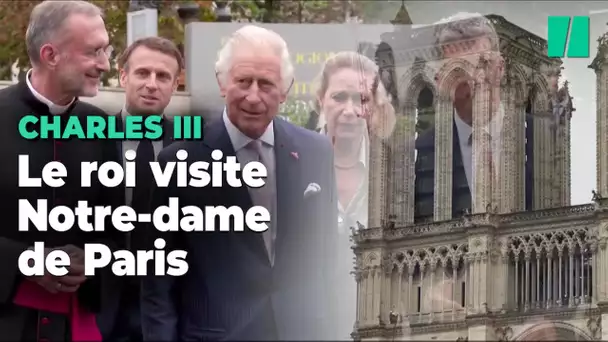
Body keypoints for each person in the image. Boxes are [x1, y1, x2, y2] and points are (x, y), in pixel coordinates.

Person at [141, 25, 338, 340]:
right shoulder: (178, 161)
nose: (253, 96)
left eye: (266, 84)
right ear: (222, 83)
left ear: (285, 90)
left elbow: (329, 258)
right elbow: (158, 280)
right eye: (243, 81)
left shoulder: (316, 151)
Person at [0, 1, 121, 341]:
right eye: (94, 52)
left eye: (106, 50)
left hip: (71, 324)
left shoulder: (99, 126)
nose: (105, 64)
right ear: (51, 55)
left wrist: (92, 259)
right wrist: (26, 260)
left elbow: (114, 229)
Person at [97, 37, 183, 342]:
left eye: (163, 77)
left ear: (175, 85)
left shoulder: (194, 146)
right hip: (102, 303)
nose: (151, 84)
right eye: (142, 73)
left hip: (170, 309)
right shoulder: (90, 139)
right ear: (123, 76)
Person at [312, 51, 396, 338]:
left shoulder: (398, 174)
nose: (350, 110)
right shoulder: (286, 163)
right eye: (339, 97)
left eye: (361, 99)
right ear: (320, 100)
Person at [414, 13, 505, 221]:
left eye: (483, 66)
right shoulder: (421, 149)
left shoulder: (542, 136)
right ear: (439, 80)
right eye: (460, 72)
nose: (477, 81)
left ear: (500, 69)